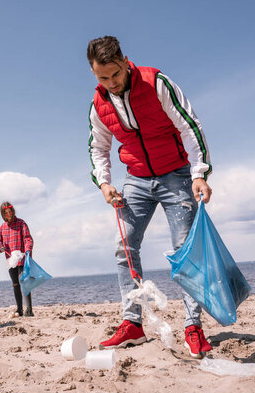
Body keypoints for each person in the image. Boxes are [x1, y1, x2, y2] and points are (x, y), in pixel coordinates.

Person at [86, 36, 213, 358]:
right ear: (93, 73)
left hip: (177, 176)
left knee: (185, 253)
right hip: (136, 180)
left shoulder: (156, 83)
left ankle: (193, 326)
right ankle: (133, 325)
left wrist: (199, 173)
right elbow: (98, 148)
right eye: (102, 77)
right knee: (123, 248)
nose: (111, 83)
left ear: (126, 61)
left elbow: (190, 126)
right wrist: (104, 184)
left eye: (115, 74)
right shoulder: (98, 104)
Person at [0, 201, 35, 317]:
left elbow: (28, 238)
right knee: (15, 284)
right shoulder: (2, 227)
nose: (8, 214)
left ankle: (29, 309)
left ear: (13, 211)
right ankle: (19, 309)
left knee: (24, 282)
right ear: (3, 214)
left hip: (22, 258)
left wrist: (28, 250)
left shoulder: (21, 223)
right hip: (10, 260)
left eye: (10, 212)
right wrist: (0, 247)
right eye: (6, 213)